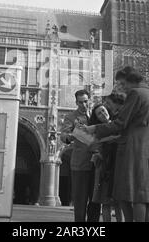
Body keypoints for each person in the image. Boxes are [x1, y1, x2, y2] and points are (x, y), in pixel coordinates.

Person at [82, 67, 149, 222]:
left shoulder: (135, 94)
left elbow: (120, 123)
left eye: (122, 83)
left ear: (130, 79)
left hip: (131, 149)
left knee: (127, 194)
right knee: (143, 195)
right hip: (147, 149)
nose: (122, 87)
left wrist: (93, 128)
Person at [60, 89, 101, 222]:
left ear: (89, 100)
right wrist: (73, 135)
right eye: (80, 102)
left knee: (95, 201)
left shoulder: (96, 114)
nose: (83, 105)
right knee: (80, 201)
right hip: (80, 164)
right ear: (76, 102)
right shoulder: (71, 117)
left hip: (97, 163)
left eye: (85, 101)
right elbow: (63, 136)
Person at [89, 100, 123, 222]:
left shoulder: (117, 124)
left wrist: (108, 139)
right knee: (105, 202)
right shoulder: (98, 130)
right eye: (99, 113)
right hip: (104, 167)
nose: (103, 114)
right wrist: (111, 138)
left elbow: (122, 137)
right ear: (96, 118)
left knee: (119, 203)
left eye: (103, 110)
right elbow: (93, 144)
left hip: (118, 166)